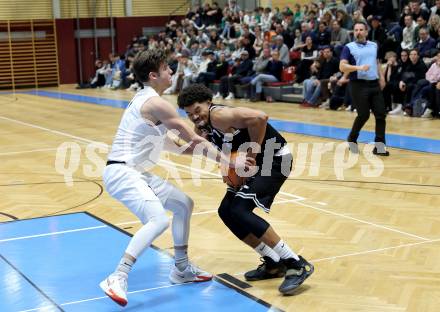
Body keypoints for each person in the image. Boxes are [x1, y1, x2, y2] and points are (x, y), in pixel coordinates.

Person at [99, 49, 252, 306]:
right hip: (122, 173)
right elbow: (192, 137)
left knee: (183, 204)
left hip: (134, 172)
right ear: (153, 75)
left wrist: (222, 156)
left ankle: (181, 269)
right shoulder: (156, 103)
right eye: (167, 68)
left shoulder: (148, 103)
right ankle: (118, 276)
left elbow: (183, 146)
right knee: (158, 220)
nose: (171, 71)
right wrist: (230, 161)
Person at [177, 83, 314, 296]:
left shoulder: (220, 115)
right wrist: (163, 143)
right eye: (189, 114)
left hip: (274, 159)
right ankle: (273, 262)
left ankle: (296, 263)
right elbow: (195, 147)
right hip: (254, 166)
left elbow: (260, 117)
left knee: (240, 209)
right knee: (226, 211)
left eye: (197, 110)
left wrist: (252, 152)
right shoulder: (203, 125)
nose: (194, 116)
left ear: (208, 103)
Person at [339, 21, 389, 156]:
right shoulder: (348, 47)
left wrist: (382, 77)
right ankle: (352, 138)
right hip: (358, 85)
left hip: (374, 84)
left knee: (380, 115)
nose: (358, 32)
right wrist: (358, 68)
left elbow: (377, 62)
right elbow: (342, 67)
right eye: (356, 30)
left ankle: (379, 147)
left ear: (366, 32)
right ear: (354, 32)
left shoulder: (374, 45)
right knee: (364, 115)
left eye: (361, 30)